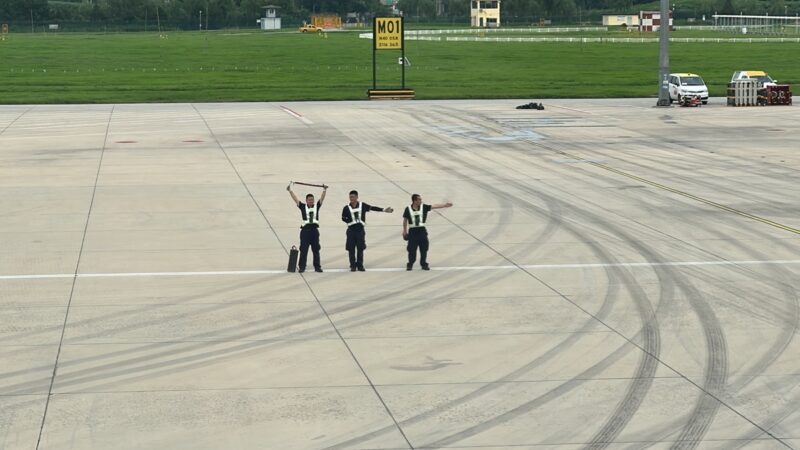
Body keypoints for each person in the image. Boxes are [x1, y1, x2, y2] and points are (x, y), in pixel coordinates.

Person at [341, 190, 393, 271]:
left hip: (360, 231)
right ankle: (353, 265)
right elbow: (343, 218)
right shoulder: (346, 208)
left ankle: (360, 265)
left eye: (353, 197)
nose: (351, 198)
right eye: (350, 197)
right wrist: (350, 221)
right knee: (351, 249)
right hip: (351, 231)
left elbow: (372, 208)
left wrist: (383, 210)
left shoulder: (362, 205)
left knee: (360, 248)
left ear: (357, 197)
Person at [402, 194, 453, 270]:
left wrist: (444, 205)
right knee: (412, 249)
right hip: (412, 232)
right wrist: (404, 231)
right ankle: (410, 264)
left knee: (424, 248)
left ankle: (424, 264)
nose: (421, 201)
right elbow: (405, 220)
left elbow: (434, 206)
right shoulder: (408, 209)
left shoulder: (424, 207)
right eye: (419, 199)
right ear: (415, 201)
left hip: (422, 231)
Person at [288, 181, 327, 273]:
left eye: (312, 199)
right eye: (309, 200)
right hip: (305, 232)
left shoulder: (317, 206)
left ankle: (317, 267)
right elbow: (295, 199)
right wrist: (290, 191)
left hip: (314, 231)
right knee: (304, 250)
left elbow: (322, 199)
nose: (311, 201)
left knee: (316, 250)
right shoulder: (302, 206)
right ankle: (302, 267)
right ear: (306, 200)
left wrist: (324, 190)